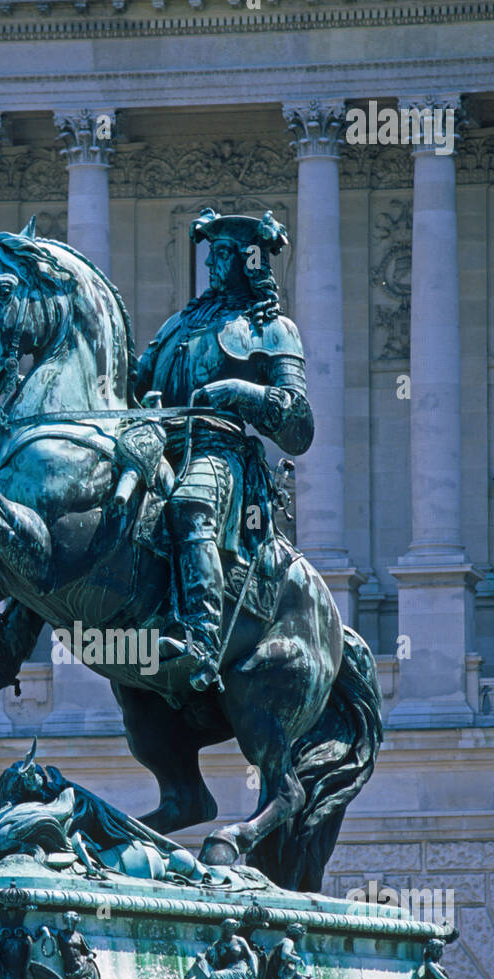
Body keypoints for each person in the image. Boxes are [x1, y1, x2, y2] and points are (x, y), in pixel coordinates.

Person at [134, 208, 314, 692]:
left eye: (223, 255)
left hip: (221, 452)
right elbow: (135, 381)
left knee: (189, 505)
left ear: (250, 261)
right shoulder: (177, 325)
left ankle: (202, 639)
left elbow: (299, 423)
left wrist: (241, 393)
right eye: (211, 254)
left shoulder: (272, 331)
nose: (212, 264)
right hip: (156, 445)